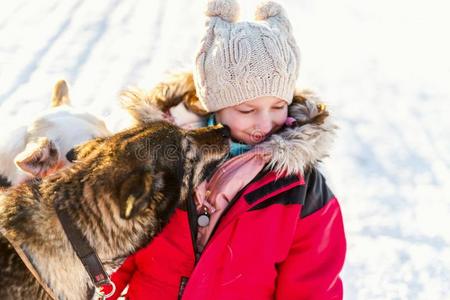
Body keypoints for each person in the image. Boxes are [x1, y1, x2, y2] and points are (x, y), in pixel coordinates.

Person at [104, 0, 346, 299]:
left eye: (278, 106)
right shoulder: (156, 158)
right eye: (246, 109)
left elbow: (311, 283)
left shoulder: (301, 189)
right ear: (213, 104)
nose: (265, 122)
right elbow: (114, 248)